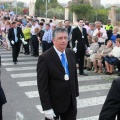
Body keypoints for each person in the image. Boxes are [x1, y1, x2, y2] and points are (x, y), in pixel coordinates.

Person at [37, 28, 79, 120]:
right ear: (53, 40)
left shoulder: (71, 53)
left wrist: (76, 95)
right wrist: (47, 107)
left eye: (65, 38)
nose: (63, 41)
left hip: (70, 102)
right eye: (60, 38)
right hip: (54, 103)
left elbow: (74, 77)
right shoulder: (45, 58)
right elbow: (42, 85)